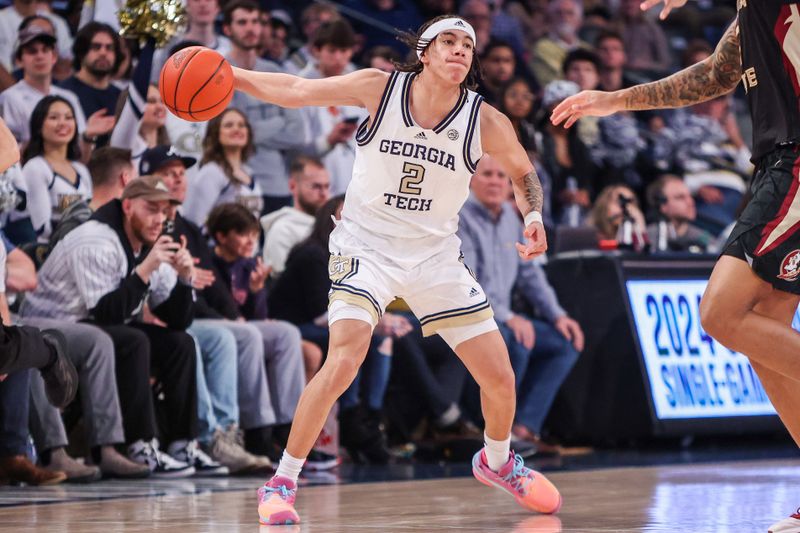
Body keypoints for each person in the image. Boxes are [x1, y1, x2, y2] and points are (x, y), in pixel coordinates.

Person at [232, 14, 560, 525]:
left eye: (467, 45)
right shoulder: (378, 88)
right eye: (448, 41)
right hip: (367, 246)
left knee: (500, 378)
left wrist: (534, 214)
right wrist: (233, 75)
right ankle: (280, 483)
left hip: (434, 256)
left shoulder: (485, 119)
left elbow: (523, 172)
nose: (459, 51)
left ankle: (497, 462)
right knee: (344, 357)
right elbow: (296, 89)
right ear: (425, 52)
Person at [551, 2, 800, 529]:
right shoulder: (755, 14)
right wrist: (615, 100)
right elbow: (714, 74)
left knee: (721, 315)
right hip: (778, 165)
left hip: (796, 165)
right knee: (765, 340)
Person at [459, 155, 583, 453]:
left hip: (505, 318)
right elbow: (466, 281)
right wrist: (508, 317)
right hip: (471, 317)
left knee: (564, 343)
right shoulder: (460, 218)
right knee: (517, 341)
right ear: (471, 179)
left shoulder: (512, 220)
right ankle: (496, 431)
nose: (495, 181)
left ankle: (524, 427)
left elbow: (530, 274)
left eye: (502, 176)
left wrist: (557, 315)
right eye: (487, 174)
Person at [21, 95, 91, 242]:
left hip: (82, 245)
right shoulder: (35, 168)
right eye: (53, 118)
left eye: (69, 117)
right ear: (39, 126)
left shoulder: (81, 170)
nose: (63, 123)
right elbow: (42, 228)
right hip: (49, 251)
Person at [181, 108, 263, 227]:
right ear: (216, 133)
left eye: (242, 125)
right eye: (229, 125)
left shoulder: (248, 172)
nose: (237, 129)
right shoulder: (211, 172)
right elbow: (193, 221)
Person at [261, 156, 330, 278]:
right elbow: (283, 283)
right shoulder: (282, 231)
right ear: (293, 186)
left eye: (326, 186)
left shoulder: (331, 225)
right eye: (316, 186)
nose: (324, 194)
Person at [59, 22, 122, 148]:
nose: (103, 53)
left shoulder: (121, 96)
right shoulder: (63, 93)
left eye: (109, 48)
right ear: (81, 53)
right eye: (96, 47)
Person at [645, 174, 713, 253]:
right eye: (680, 197)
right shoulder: (648, 238)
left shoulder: (704, 239)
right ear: (662, 205)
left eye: (690, 196)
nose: (690, 202)